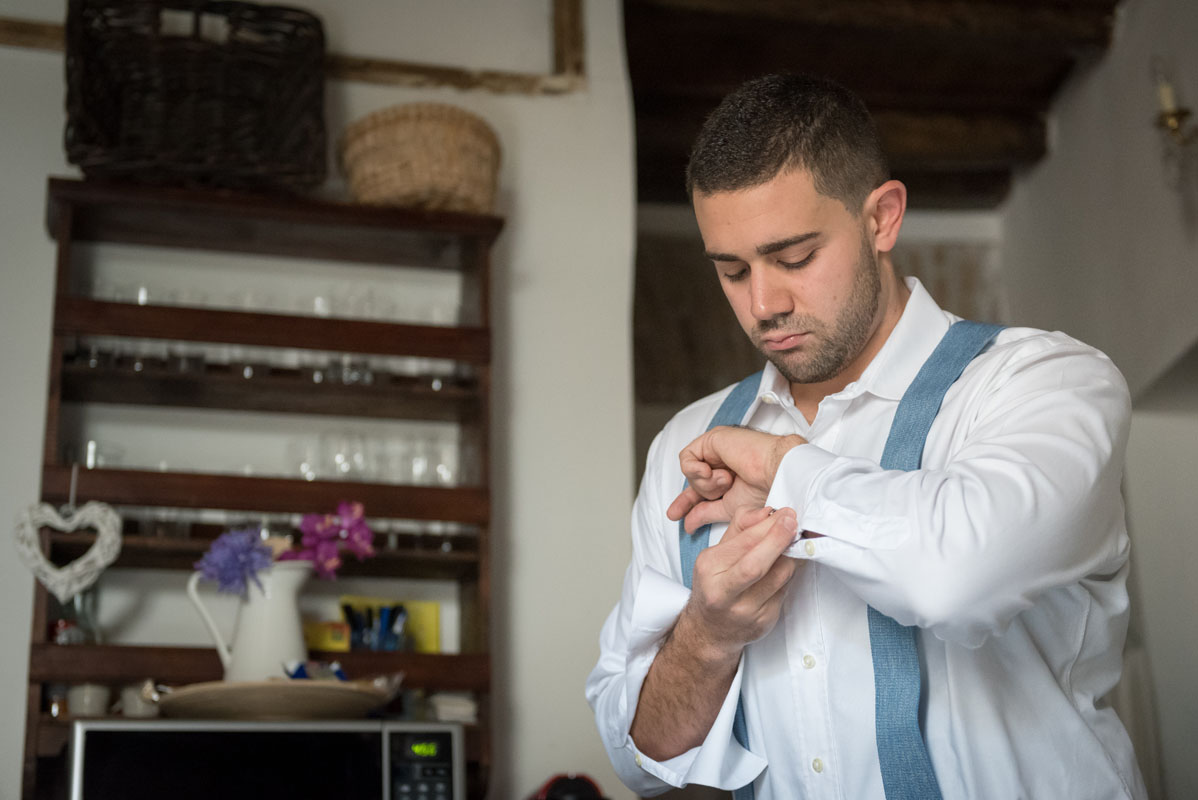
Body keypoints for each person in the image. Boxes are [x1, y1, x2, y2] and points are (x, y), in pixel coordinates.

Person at [586, 73, 1147, 799]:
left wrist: (789, 469)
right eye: (731, 271)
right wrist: (704, 637)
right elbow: (638, 760)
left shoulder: (1046, 383)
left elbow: (955, 575)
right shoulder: (687, 444)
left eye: (793, 258)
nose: (763, 305)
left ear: (882, 218)